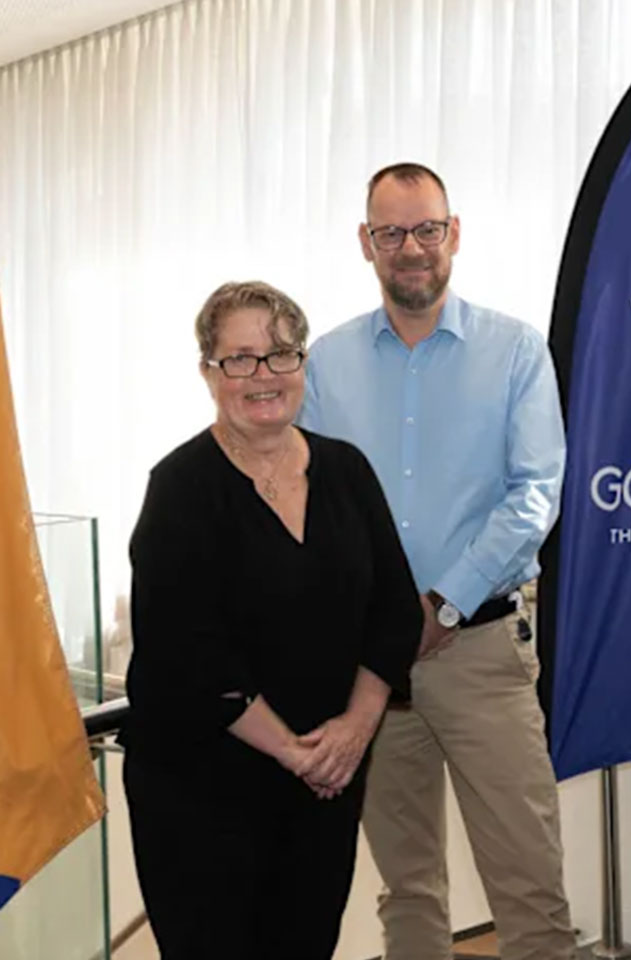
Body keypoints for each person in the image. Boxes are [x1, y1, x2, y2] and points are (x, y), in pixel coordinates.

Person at [299, 163, 573, 960]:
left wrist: (443, 603)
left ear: (454, 233)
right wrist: (382, 619)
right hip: (375, 669)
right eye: (391, 233)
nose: (410, 248)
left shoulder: (516, 350)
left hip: (482, 650)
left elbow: (534, 497)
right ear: (366, 243)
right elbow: (316, 507)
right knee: (408, 888)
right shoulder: (327, 363)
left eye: (426, 229)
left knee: (529, 880)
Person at [122, 280, 422, 959]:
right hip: (203, 791)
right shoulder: (178, 490)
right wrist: (297, 753)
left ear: (303, 365)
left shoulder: (346, 471)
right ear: (208, 373)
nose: (264, 375)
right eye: (241, 358)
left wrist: (353, 731)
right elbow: (188, 658)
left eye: (282, 354)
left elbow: (394, 611)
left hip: (325, 784)